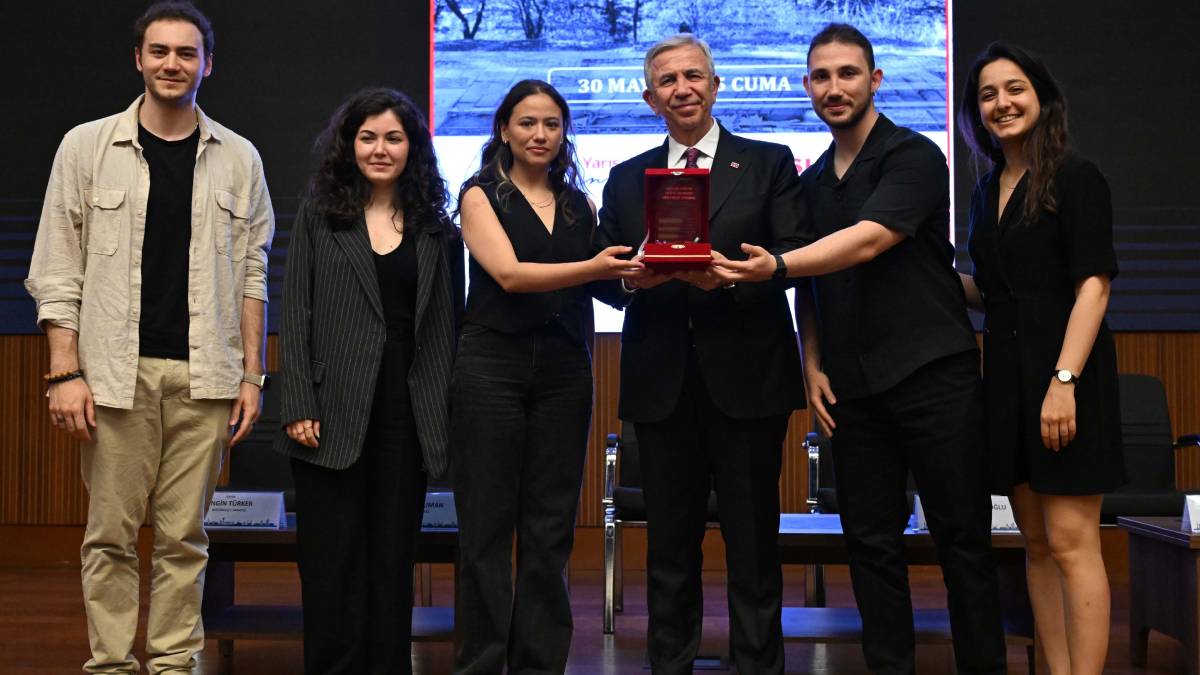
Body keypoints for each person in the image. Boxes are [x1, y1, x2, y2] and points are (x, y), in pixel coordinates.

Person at [714, 23, 1007, 674]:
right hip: (853, 388)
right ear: (806, 86)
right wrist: (811, 361)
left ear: (875, 80)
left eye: (848, 73)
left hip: (935, 374)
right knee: (870, 545)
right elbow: (812, 283)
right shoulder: (812, 179)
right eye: (821, 76)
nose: (834, 87)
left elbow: (870, 240)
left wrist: (777, 264)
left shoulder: (915, 156)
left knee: (962, 540)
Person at [23, 2, 274, 671]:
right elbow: (56, 267)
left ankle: (172, 663)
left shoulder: (239, 158)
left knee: (184, 539)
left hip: (206, 377)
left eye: (187, 53)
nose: (172, 63)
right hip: (113, 376)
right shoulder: (85, 147)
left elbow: (253, 272)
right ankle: (110, 665)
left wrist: (252, 375)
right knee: (109, 536)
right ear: (138, 59)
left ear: (208, 65)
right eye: (159, 51)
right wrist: (64, 372)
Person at [591, 35, 807, 674]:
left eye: (693, 76)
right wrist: (632, 278)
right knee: (669, 550)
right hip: (662, 385)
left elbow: (794, 253)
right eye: (667, 80)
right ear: (649, 97)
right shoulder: (626, 177)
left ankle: (758, 666)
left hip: (749, 381)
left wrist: (736, 277)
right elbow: (603, 273)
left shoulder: (768, 162)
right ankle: (669, 665)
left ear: (716, 86)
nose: (682, 88)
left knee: (754, 545)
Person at [451, 79, 640, 674]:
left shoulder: (580, 204)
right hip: (491, 367)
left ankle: (539, 664)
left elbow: (605, 288)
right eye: (528, 123)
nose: (540, 134)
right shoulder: (480, 195)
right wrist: (593, 267)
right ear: (504, 130)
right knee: (486, 530)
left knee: (550, 529)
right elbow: (509, 275)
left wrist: (643, 275)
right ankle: (481, 664)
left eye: (552, 124)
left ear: (564, 134)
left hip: (565, 370)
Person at [274, 88, 462, 674]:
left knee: (392, 560)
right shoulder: (320, 214)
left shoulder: (437, 227)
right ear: (349, 144)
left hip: (407, 414)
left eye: (394, 138)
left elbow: (448, 325)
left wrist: (444, 416)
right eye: (368, 137)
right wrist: (297, 400)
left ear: (413, 148)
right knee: (330, 562)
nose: (380, 149)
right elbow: (296, 310)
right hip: (328, 412)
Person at [958, 42, 1124, 675]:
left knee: (1073, 542)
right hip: (1006, 382)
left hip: (1067, 381)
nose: (1001, 103)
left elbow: (1094, 286)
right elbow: (993, 291)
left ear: (1042, 97)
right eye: (987, 95)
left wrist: (1064, 380)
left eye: (1014, 89)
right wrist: (922, 271)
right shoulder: (983, 193)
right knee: (1035, 545)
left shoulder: (1076, 177)